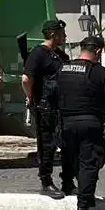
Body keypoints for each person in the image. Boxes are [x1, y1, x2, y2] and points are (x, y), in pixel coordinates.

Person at [55, 35, 105, 210]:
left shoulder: (63, 68)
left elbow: (54, 93)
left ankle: (86, 198)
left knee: (75, 162)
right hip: (90, 123)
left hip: (66, 123)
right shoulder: (100, 72)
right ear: (98, 51)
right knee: (89, 165)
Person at [23, 19, 70, 197]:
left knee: (66, 144)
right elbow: (26, 79)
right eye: (62, 33)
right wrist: (30, 99)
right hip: (45, 106)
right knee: (47, 145)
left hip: (60, 106)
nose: (65, 36)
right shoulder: (38, 53)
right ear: (52, 34)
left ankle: (67, 180)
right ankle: (46, 182)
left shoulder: (58, 55)